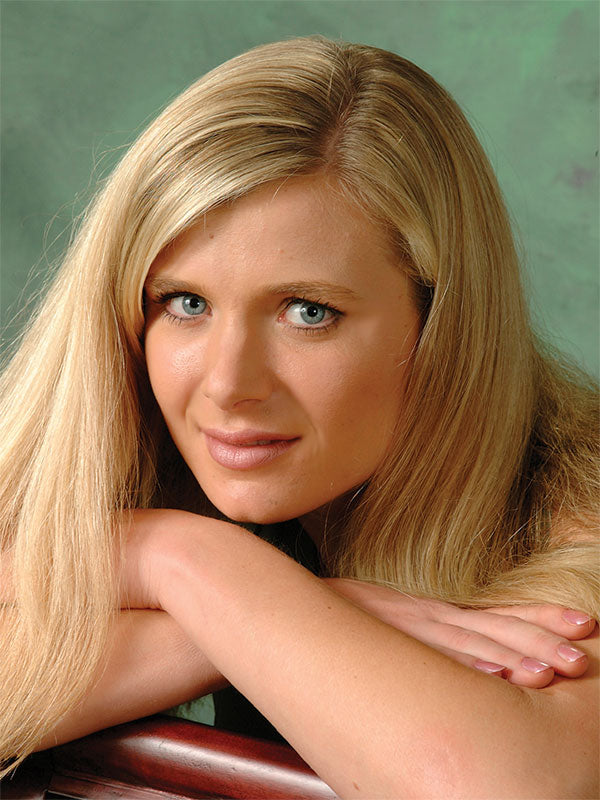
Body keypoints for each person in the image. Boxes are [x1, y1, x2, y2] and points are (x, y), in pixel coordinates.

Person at [0, 36, 597, 797]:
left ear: (442, 324)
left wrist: (178, 564)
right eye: (186, 303)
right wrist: (238, 591)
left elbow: (504, 788)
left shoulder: (580, 512)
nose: (228, 385)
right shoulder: (128, 444)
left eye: (307, 311)